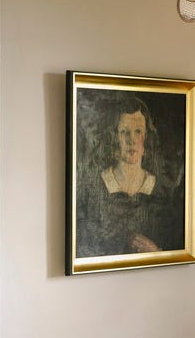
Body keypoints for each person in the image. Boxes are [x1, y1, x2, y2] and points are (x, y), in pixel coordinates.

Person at [76, 95, 184, 258]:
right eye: (124, 132)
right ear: (115, 137)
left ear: (146, 137)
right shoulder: (94, 189)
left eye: (138, 131)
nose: (131, 140)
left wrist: (156, 253)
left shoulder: (163, 192)